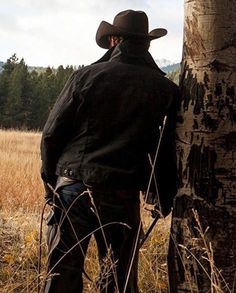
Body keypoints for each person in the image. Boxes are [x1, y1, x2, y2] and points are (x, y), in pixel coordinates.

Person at [40, 9, 179, 293]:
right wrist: (162, 198)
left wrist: (51, 182)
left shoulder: (86, 77)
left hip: (72, 188)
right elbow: (165, 149)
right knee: (118, 279)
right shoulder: (166, 90)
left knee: (62, 275)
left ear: (114, 40)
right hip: (123, 194)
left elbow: (52, 134)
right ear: (146, 44)